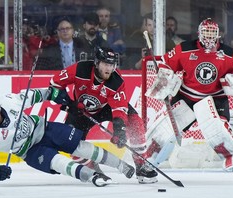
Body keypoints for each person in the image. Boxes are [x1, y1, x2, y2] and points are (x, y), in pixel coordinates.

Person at [0, 89, 135, 186]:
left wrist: (54, 94)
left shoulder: (9, 101)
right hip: (30, 151)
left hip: (44, 128)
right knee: (57, 162)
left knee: (81, 147)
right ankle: (93, 176)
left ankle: (121, 165)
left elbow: (36, 95)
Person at [147, 18, 233, 171]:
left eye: (212, 33)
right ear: (199, 34)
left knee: (218, 128)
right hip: (187, 96)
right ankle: (149, 158)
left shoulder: (228, 54)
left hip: (216, 98)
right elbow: (165, 63)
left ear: (218, 35)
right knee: (168, 131)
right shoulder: (185, 49)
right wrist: (165, 78)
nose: (209, 37)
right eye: (206, 33)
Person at [48, 47, 158, 184]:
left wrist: (120, 129)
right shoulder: (80, 69)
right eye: (105, 64)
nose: (109, 68)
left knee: (134, 121)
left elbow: (119, 108)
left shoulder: (116, 81)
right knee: (70, 143)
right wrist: (69, 103)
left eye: (112, 65)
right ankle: (92, 170)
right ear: (97, 63)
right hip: (80, 111)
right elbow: (54, 84)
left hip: (105, 108)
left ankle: (141, 165)